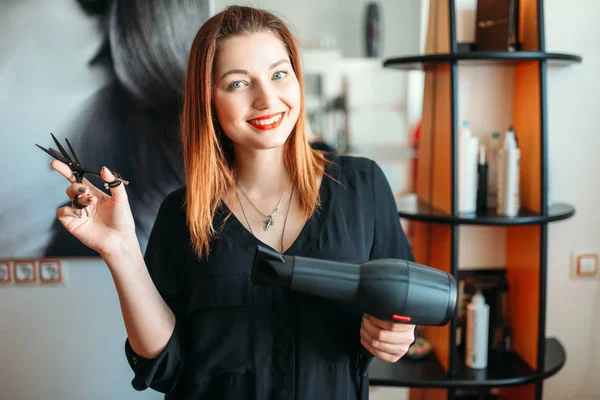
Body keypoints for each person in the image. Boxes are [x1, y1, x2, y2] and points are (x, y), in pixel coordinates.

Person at [50, 6, 416, 400]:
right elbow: (165, 367)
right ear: (209, 100)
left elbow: (404, 304)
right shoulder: (181, 215)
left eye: (279, 74)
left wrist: (398, 335)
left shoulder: (362, 186)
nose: (266, 98)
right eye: (239, 84)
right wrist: (121, 252)